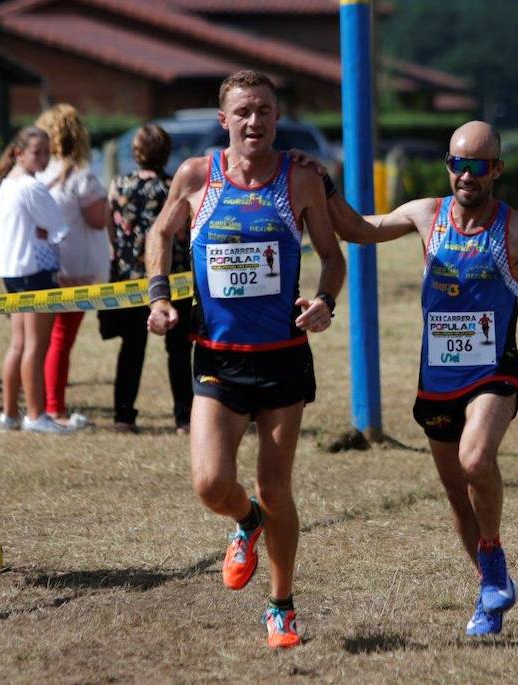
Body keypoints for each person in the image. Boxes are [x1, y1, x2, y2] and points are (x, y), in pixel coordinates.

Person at [304, 120, 518, 637]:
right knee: (456, 492)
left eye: (478, 166)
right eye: (458, 163)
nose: (466, 175)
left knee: (475, 459)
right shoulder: (426, 214)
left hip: (494, 371)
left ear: (497, 170)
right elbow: (359, 230)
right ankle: (489, 590)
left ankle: (494, 559)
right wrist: (324, 189)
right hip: (436, 378)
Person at [145, 70, 345, 649]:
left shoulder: (300, 180)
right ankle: (245, 520)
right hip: (217, 358)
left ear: (277, 118)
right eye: (243, 111)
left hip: (283, 359)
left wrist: (325, 302)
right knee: (211, 484)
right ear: (223, 120)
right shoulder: (196, 176)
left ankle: (281, 607)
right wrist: (160, 297)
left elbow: (334, 259)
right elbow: (160, 233)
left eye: (264, 111)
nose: (254, 121)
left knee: (277, 488)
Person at [101, 124, 193, 434]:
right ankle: (184, 418)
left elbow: (111, 232)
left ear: (136, 153)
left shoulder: (118, 185)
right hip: (173, 278)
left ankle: (123, 416)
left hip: (131, 281)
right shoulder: (175, 188)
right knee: (179, 350)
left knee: (131, 348)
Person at [0, 127, 71, 434]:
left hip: (13, 272)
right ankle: (35, 415)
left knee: (19, 345)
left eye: (47, 152)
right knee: (36, 345)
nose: (44, 158)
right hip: (35, 270)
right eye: (38, 152)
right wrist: (49, 232)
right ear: (19, 153)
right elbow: (59, 228)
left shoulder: (6, 184)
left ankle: (10, 414)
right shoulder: (30, 187)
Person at [35, 104, 110, 428]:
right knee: (60, 340)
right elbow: (98, 219)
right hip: (73, 268)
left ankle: (39, 406)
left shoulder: (35, 172)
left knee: (38, 341)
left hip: (38, 265)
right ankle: (54, 408)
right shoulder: (79, 175)